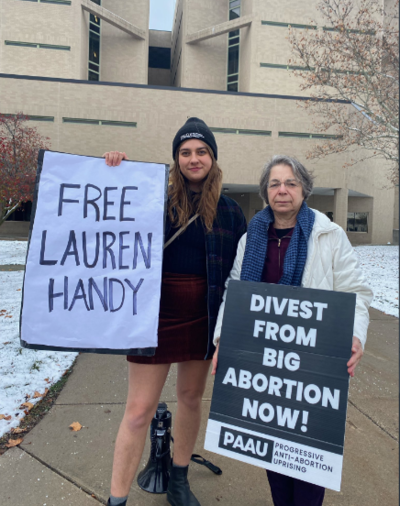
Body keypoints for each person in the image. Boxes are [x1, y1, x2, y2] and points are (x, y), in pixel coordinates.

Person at [211, 154, 373, 506]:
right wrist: (224, 339)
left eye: (290, 183)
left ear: (304, 189)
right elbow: (235, 291)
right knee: (272, 447)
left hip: (313, 363)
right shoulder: (250, 237)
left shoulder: (328, 235)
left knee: (309, 453)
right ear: (265, 191)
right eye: (274, 183)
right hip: (265, 361)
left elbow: (355, 291)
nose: (282, 190)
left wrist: (355, 333)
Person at [103, 117, 247, 506]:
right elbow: (110, 218)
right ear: (176, 159)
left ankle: (179, 481)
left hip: (204, 314)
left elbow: (243, 273)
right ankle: (117, 499)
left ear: (213, 158)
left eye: (202, 151)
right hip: (154, 316)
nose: (193, 158)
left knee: (190, 397)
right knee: (137, 410)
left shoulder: (232, 212)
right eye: (185, 152)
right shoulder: (150, 198)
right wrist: (113, 171)